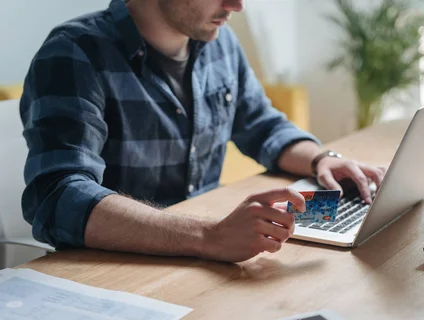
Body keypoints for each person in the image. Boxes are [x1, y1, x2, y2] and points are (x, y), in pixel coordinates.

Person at [20, 0, 386, 263]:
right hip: (119, 268)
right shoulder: (75, 52)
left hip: (209, 255)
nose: (237, 5)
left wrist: (322, 158)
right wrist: (209, 236)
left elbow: (260, 123)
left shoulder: (218, 41)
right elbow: (58, 199)